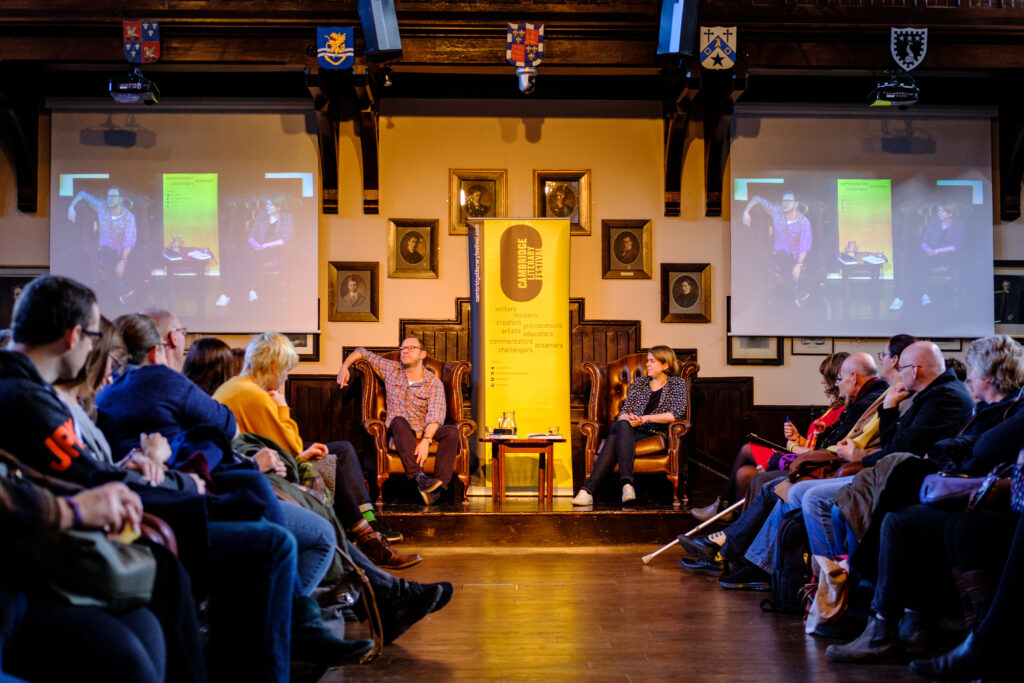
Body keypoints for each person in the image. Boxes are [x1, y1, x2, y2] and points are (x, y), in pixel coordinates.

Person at [824, 334, 1024, 664]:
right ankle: (901, 623)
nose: (968, 377)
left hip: (986, 503)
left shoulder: (1002, 407)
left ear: (987, 375)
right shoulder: (986, 407)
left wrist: (949, 451)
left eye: (972, 371)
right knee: (893, 495)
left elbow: (975, 451)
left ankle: (878, 623)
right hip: (967, 497)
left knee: (895, 515)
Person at [213, 332, 419, 569]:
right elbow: (290, 447)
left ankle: (367, 536)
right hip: (264, 476)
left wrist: (301, 454)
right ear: (272, 365)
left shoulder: (236, 386)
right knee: (331, 462)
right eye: (284, 370)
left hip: (255, 466)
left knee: (336, 453)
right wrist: (283, 408)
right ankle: (369, 540)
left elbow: (274, 446)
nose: (285, 377)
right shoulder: (254, 395)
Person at [691, 351, 850, 522]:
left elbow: (820, 451)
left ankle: (722, 505)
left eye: (825, 377)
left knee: (746, 449)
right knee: (744, 473)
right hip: (800, 455)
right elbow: (816, 442)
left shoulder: (842, 411)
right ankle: (734, 520)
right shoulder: (833, 408)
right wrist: (798, 438)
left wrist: (792, 445)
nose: (821, 381)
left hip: (803, 461)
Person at [337, 337, 457, 505]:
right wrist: (344, 367)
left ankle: (438, 489)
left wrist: (426, 440)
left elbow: (435, 415)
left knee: (452, 432)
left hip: (425, 429)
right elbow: (362, 352)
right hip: (401, 429)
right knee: (399, 421)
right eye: (403, 348)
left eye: (411, 348)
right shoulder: (391, 369)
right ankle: (420, 478)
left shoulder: (433, 383)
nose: (405, 351)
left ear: (423, 354)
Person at [571, 346, 688, 506]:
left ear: (665, 365)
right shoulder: (640, 383)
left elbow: (675, 414)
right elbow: (625, 412)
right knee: (622, 423)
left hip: (655, 432)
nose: (647, 364)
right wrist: (630, 418)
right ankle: (627, 484)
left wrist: (644, 418)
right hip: (632, 428)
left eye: (652, 361)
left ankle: (588, 491)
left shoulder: (677, 384)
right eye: (647, 361)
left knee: (615, 435)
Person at [215, 194, 294, 307]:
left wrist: (265, 245)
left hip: (273, 249)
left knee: (240, 260)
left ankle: (229, 294)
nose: (266, 206)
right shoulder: (262, 215)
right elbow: (251, 235)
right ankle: (250, 291)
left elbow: (285, 238)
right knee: (247, 249)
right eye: (266, 204)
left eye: (270, 205)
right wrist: (255, 244)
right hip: (256, 248)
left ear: (279, 207)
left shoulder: (287, 217)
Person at [890, 202, 966, 310]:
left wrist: (936, 251)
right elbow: (924, 241)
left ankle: (902, 298)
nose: (938, 213)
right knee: (919, 260)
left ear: (950, 214)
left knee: (914, 265)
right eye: (939, 211)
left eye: (941, 211)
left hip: (945, 256)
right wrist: (928, 249)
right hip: (928, 254)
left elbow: (956, 246)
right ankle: (923, 296)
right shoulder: (934, 222)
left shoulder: (958, 225)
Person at [66, 186, 137, 302]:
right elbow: (82, 193)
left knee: (138, 257)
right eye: (109, 196)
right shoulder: (101, 206)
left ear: (121, 199)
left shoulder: (129, 217)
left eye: (113, 196)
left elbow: (130, 241)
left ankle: (132, 296)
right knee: (106, 254)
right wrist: (71, 207)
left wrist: (123, 260)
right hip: (106, 248)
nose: (110, 199)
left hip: (123, 249)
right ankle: (120, 289)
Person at [742, 192, 812, 307]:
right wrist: (746, 212)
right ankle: (797, 293)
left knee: (812, 258)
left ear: (796, 204)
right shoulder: (776, 210)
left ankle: (802, 296)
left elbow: (804, 245)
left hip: (798, 253)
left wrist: (799, 264)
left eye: (789, 201)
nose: (785, 204)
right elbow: (757, 198)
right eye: (784, 201)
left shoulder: (804, 222)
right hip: (781, 253)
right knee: (783, 256)